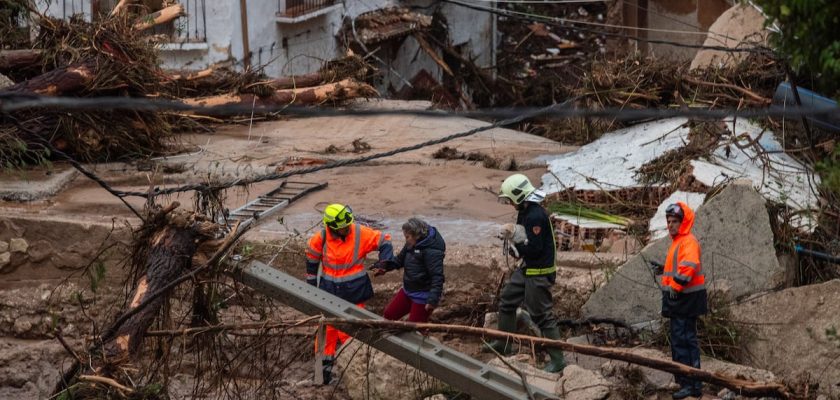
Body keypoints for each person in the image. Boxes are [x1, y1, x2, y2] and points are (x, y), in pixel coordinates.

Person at [482, 174, 566, 373]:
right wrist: (514, 241)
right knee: (507, 300)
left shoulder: (536, 216)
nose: (510, 203)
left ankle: (558, 359)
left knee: (542, 315)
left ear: (519, 196)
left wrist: (515, 240)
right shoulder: (526, 212)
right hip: (529, 267)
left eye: (510, 199)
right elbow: (524, 239)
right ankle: (505, 343)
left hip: (539, 271)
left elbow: (534, 248)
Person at [304, 203, 394, 384]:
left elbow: (385, 240)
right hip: (329, 295)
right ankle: (322, 377)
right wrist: (311, 288)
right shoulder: (319, 239)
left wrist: (384, 262)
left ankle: (355, 377)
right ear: (331, 227)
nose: (347, 229)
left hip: (354, 295)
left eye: (347, 226)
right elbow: (311, 263)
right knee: (325, 336)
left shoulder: (359, 233)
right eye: (343, 228)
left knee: (352, 336)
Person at [661, 202, 707, 399]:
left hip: (685, 301)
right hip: (681, 302)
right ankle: (684, 382)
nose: (671, 225)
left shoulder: (688, 241)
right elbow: (680, 266)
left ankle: (693, 385)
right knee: (680, 341)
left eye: (675, 222)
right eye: (669, 221)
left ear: (683, 222)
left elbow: (689, 266)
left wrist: (675, 285)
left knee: (686, 342)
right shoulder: (679, 242)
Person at [372, 217, 445, 323]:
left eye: (407, 237)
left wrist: (432, 300)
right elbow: (399, 260)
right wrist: (383, 266)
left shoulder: (432, 252)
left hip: (423, 296)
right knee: (389, 315)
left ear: (417, 235)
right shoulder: (411, 243)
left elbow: (437, 277)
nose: (406, 240)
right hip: (407, 290)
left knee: (414, 329)